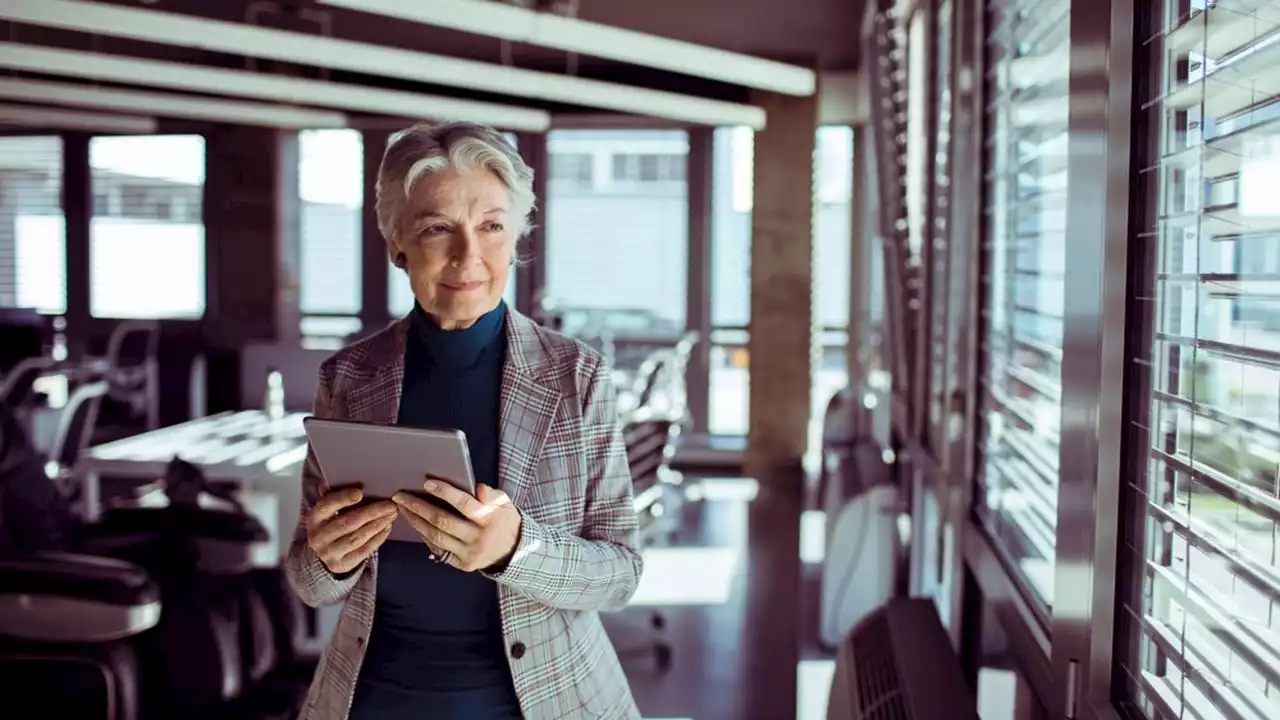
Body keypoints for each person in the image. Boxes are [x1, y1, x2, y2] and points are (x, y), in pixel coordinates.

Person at [284, 122, 644, 720]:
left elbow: (621, 575)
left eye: (491, 227)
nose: (468, 256)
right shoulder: (347, 378)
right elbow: (310, 582)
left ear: (516, 237)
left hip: (545, 702)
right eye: (436, 229)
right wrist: (329, 557)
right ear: (397, 243)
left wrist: (516, 549)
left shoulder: (578, 377)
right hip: (374, 701)